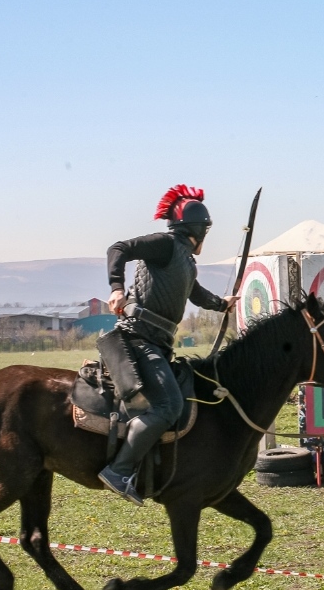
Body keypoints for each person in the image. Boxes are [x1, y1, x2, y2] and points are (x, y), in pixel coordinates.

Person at [97, 185, 237, 505]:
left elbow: (196, 293)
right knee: (167, 406)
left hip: (156, 343)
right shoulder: (164, 245)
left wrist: (221, 304)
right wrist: (117, 288)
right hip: (137, 338)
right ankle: (119, 470)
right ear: (198, 229)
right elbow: (118, 248)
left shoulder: (186, 262)